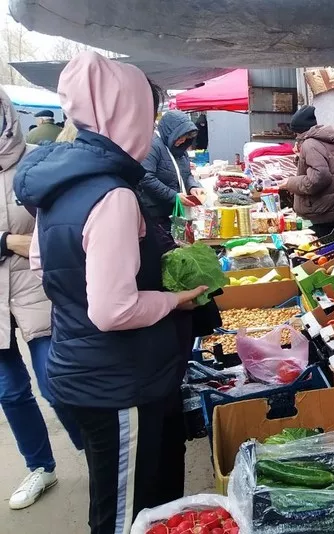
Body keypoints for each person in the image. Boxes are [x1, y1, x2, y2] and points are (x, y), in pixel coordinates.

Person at [13, 52, 208, 534]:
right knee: (126, 512)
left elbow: (42, 265)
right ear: (128, 113)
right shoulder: (113, 194)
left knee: (119, 499)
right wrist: (174, 299)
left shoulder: (61, 180)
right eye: (147, 112)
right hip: (118, 380)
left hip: (81, 364)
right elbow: (113, 310)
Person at [0, 87, 84, 511]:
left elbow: (65, 223)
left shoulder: (37, 161)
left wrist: (27, 243)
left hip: (38, 289)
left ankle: (96, 447)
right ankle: (40, 467)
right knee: (9, 392)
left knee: (57, 384)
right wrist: (6, 241)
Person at [280, 105, 334, 237]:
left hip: (319, 213)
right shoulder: (326, 140)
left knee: (319, 248)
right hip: (330, 209)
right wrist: (299, 158)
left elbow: (319, 177)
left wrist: (289, 183)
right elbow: (322, 167)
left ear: (299, 130)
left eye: (295, 133)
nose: (295, 137)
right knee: (332, 245)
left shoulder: (310, 144)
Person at [138, 110, 205, 230]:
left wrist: (193, 187)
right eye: (180, 137)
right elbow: (146, 177)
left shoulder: (180, 149)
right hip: (157, 214)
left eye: (186, 138)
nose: (182, 141)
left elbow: (186, 174)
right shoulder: (153, 146)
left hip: (175, 211)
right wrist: (173, 196)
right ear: (170, 132)